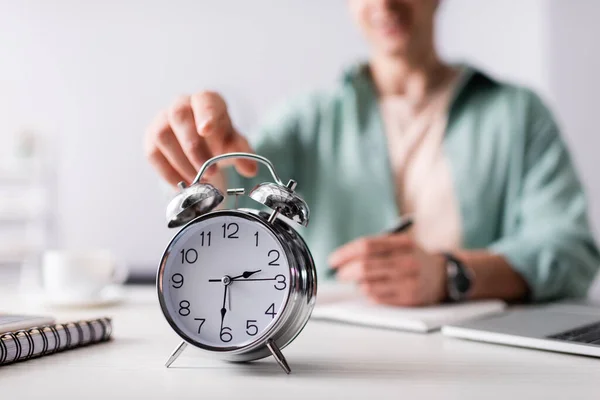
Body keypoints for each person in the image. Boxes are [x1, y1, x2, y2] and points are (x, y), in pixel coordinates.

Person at [144, 0, 600, 306]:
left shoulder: (518, 114)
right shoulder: (306, 120)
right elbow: (240, 181)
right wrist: (211, 161)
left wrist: (449, 275)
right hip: (343, 366)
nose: (384, 5)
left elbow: (570, 252)